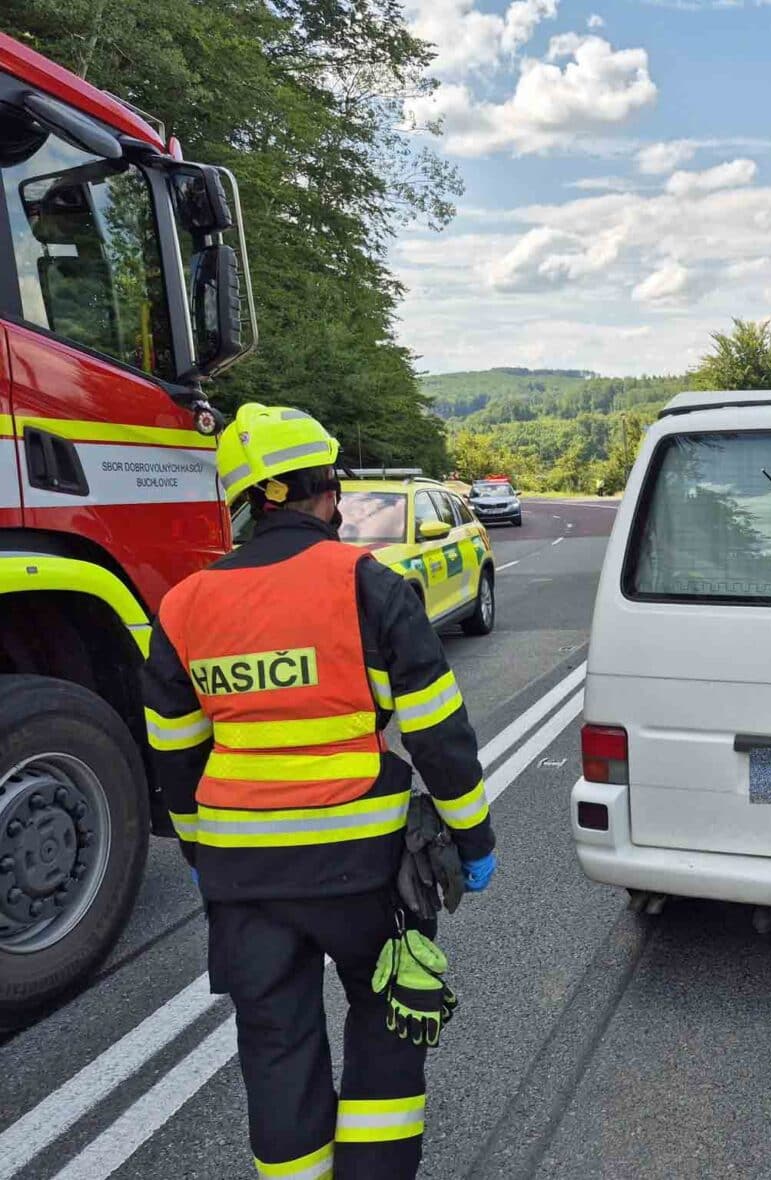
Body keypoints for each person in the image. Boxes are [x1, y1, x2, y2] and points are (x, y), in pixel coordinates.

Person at [141, 404, 496, 1180]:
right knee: (387, 1018)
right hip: (361, 870)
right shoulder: (365, 582)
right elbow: (437, 730)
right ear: (324, 491)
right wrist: (473, 839)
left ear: (245, 504)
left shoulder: (184, 605)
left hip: (243, 879)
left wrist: (201, 850)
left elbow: (172, 749)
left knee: (275, 1044)